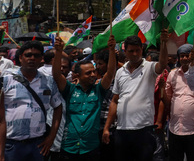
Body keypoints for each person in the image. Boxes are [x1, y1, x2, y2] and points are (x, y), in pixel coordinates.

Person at [102, 29, 169, 161]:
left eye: (137, 50)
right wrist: (106, 128)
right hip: (122, 130)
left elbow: (162, 65)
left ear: (142, 50)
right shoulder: (120, 72)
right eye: (131, 51)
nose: (135, 54)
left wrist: (164, 43)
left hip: (144, 130)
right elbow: (115, 101)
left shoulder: (149, 67)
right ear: (125, 52)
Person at [52, 33, 116, 161]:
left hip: (91, 147)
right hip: (69, 145)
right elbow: (57, 75)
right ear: (77, 75)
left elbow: (110, 73)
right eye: (88, 73)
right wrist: (58, 52)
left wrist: (112, 50)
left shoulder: (99, 90)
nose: (93, 74)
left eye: (94, 71)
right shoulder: (69, 89)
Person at [0, 40, 63, 161]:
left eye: (37, 55)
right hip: (11, 146)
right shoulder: (6, 80)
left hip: (38, 145)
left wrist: (51, 137)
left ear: (41, 59)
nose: (32, 58)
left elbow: (58, 106)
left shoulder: (48, 81)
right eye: (28, 55)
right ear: (21, 58)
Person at [163, 44, 194, 161]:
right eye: (182, 56)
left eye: (187, 55)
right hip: (174, 128)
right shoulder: (172, 74)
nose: (184, 58)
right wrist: (161, 89)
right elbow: (168, 99)